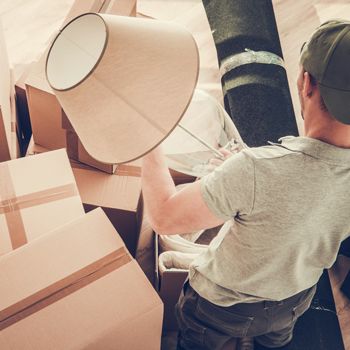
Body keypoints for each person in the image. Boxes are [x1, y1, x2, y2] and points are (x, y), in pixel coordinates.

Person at [141, 20, 350, 350]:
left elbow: (165, 216)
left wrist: (146, 140)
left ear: (306, 83)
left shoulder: (254, 170)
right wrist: (236, 182)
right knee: (274, 341)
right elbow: (308, 201)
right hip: (292, 303)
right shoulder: (254, 171)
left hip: (219, 309)